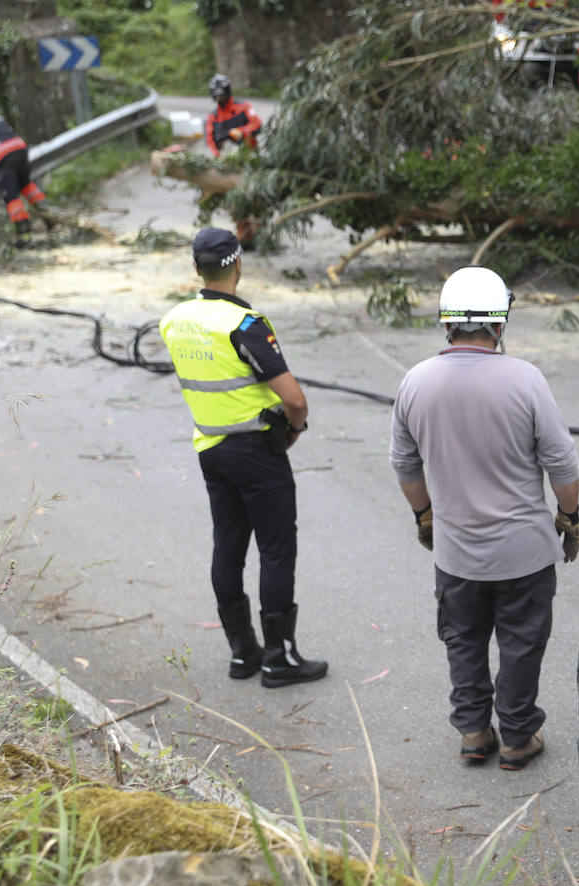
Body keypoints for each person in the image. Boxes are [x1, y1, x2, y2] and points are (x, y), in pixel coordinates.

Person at [389, 266, 579, 771]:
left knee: (463, 638)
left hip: (457, 554)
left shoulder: (416, 382)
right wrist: (569, 515)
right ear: (499, 324)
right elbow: (562, 464)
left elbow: (404, 464)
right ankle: (518, 737)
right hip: (524, 553)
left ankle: (474, 732)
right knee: (521, 642)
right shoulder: (525, 380)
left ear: (446, 324)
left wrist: (425, 515)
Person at [158, 228, 327, 688]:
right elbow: (294, 399)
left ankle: (242, 652)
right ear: (238, 264)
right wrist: (294, 430)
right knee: (276, 550)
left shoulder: (174, 320)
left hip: (211, 449)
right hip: (257, 451)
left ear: (197, 268)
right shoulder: (246, 324)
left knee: (228, 547)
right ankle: (279, 659)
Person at [0, 112, 48, 248]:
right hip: (20, 148)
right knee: (25, 185)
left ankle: (24, 236)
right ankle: (49, 215)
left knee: (11, 197)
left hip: (2, 156)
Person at [204, 74, 262, 157]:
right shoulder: (213, 117)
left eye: (222, 95)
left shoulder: (244, 107)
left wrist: (242, 131)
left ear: (227, 93)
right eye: (217, 96)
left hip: (249, 153)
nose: (220, 99)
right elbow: (210, 139)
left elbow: (257, 124)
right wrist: (218, 156)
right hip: (226, 157)